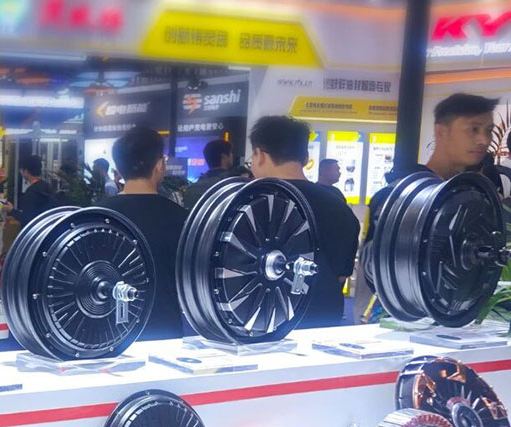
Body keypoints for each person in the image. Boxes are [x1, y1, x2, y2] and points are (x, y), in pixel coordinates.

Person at [357, 93, 498, 322]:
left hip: (455, 319)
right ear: (441, 131)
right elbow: (373, 269)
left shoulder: (473, 198)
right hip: (397, 321)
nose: (483, 139)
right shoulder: (399, 195)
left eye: (489, 130)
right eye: (473, 129)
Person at [249, 116, 360, 329]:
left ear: (260, 155)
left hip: (260, 323)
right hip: (323, 319)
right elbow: (341, 275)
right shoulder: (339, 206)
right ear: (306, 157)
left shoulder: (252, 204)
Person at [98, 126, 186, 340]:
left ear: (118, 168)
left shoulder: (96, 216)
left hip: (106, 334)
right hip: (165, 330)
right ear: (159, 165)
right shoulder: (181, 218)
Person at [3, 154, 53, 226]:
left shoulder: (32, 192)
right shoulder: (46, 186)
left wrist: (11, 210)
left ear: (26, 171)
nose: (20, 172)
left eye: (21, 170)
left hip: (34, 230)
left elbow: (26, 218)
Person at [183, 139, 233, 209]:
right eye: (230, 153)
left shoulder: (193, 188)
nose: (232, 156)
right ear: (224, 157)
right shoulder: (232, 185)